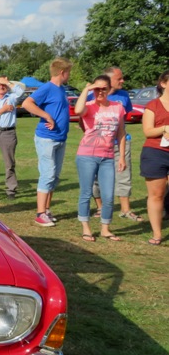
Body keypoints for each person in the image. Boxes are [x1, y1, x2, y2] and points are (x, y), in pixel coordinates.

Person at [74, 76, 127, 242]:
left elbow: (121, 132)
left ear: (110, 89)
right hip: (87, 155)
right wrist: (86, 89)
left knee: (108, 195)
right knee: (86, 192)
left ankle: (105, 228)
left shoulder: (117, 107)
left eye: (104, 88)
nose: (100, 92)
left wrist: (122, 157)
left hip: (108, 156)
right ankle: (86, 228)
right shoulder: (89, 106)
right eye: (97, 89)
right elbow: (77, 111)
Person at [21, 58, 73, 227]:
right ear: (62, 73)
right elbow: (27, 103)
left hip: (60, 138)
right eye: (68, 73)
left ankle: (47, 210)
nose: (69, 76)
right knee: (48, 174)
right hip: (46, 138)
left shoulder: (61, 89)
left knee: (55, 177)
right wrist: (46, 116)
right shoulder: (47, 88)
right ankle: (40, 213)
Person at [90, 67, 142, 221]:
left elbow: (123, 120)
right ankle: (100, 208)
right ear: (108, 80)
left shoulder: (124, 96)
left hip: (121, 142)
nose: (122, 81)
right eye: (119, 78)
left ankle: (126, 210)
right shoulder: (91, 96)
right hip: (98, 143)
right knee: (96, 176)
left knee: (123, 174)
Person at [140, 69, 169, 245]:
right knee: (157, 194)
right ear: (163, 84)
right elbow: (148, 131)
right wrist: (165, 128)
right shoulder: (153, 105)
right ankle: (157, 234)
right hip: (155, 152)